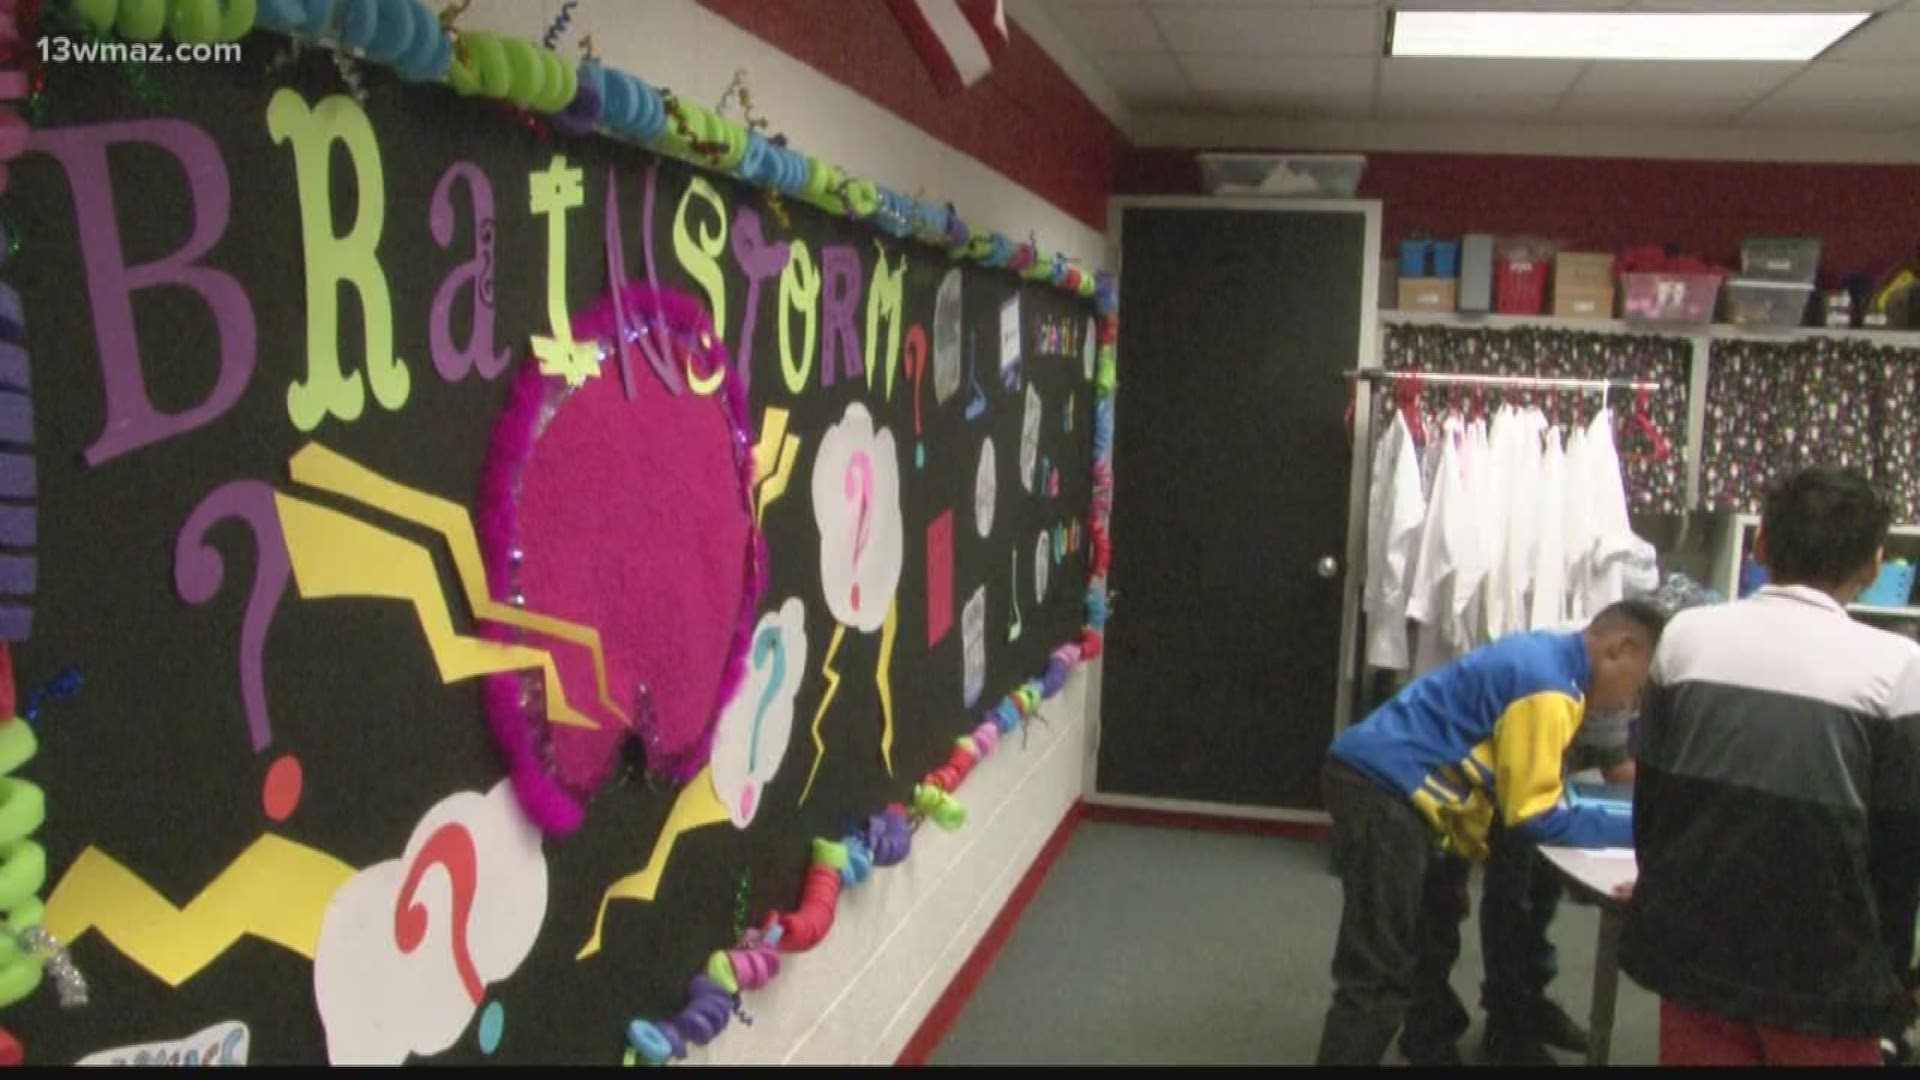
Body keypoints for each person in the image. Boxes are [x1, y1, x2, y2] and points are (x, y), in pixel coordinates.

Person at [1624, 466, 1920, 1066]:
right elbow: (1900, 847)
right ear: (1874, 565)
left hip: (1692, 949)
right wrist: (1891, 980)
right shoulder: (1899, 667)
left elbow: (1650, 805)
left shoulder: (1685, 638)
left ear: (1760, 545)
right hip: (1826, 974)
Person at [1315, 600, 1667, 1066]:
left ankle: (1431, 1046)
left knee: (1432, 932)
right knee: (1379, 970)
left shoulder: (1550, 657)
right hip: (1386, 791)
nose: (1632, 706)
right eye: (1639, 690)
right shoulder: (1551, 689)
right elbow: (1533, 815)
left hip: (1399, 789)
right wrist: (1645, 826)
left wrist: (1453, 867)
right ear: (1619, 650)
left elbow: (1484, 774)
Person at [1400, 720, 1636, 1066]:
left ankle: (1519, 1009)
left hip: (1534, 761)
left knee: (1531, 888)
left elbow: (1609, 747)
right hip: (1462, 760)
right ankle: (1431, 1026)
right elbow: (1614, 760)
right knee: (1445, 898)